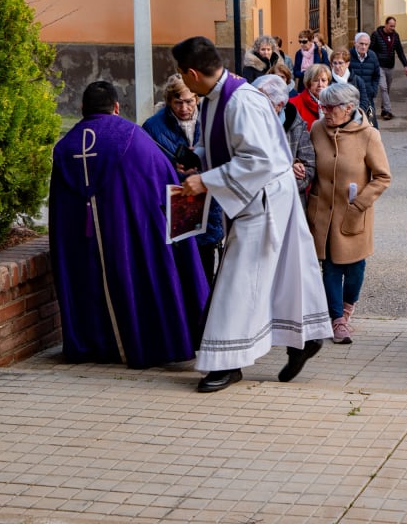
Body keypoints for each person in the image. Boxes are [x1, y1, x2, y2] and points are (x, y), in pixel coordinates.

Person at [172, 36, 333, 392]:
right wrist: (198, 158)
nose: (184, 81)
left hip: (263, 201)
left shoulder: (240, 101)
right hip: (260, 197)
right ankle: (303, 339)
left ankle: (227, 362)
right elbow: (230, 147)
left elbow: (259, 160)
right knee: (280, 276)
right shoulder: (218, 96)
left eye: (182, 74)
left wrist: (206, 181)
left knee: (238, 282)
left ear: (192, 73)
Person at [49, 81, 209, 369]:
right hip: (128, 235)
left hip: (82, 241)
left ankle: (96, 345)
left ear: (82, 108)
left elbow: (60, 210)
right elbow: (166, 180)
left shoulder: (64, 147)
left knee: (90, 282)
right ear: (116, 107)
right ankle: (139, 343)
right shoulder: (133, 137)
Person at [307, 82, 392, 345]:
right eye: (322, 106)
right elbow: (308, 163)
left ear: (349, 108)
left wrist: (359, 204)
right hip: (323, 213)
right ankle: (337, 319)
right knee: (330, 267)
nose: (324, 111)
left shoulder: (369, 135)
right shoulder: (317, 129)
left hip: (354, 214)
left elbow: (382, 177)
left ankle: (347, 308)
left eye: (330, 107)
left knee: (355, 268)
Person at [142, 74, 225, 282]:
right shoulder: (153, 126)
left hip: (208, 203)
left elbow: (225, 157)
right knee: (179, 273)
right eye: (178, 103)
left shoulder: (212, 119)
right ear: (169, 101)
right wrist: (173, 168)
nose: (184, 108)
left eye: (189, 102)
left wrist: (202, 163)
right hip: (175, 205)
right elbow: (147, 167)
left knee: (206, 271)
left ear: (197, 98)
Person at [254, 74, 316, 197]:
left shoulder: (296, 124)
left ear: (279, 105)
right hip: (255, 200)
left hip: (286, 200)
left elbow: (308, 169)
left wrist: (279, 186)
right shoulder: (248, 121)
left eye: (262, 101)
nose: (255, 106)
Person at [371, 16, 407, 120]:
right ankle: (388, 110)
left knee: (387, 88)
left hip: (390, 66)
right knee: (383, 87)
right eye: (391, 26)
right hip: (379, 66)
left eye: (394, 26)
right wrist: (372, 63)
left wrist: (406, 65)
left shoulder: (395, 36)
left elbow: (400, 51)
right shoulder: (376, 35)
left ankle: (384, 108)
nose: (393, 28)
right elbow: (371, 50)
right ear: (386, 24)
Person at [349, 32, 381, 124]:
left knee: (371, 124)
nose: (363, 47)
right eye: (361, 43)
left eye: (366, 44)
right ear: (355, 43)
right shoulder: (348, 56)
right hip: (352, 98)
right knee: (354, 124)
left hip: (368, 97)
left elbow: (376, 75)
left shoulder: (373, 56)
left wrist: (373, 90)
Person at [290, 63, 332, 129]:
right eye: (316, 80)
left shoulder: (334, 104)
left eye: (323, 80)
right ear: (309, 82)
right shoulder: (293, 104)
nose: (320, 84)